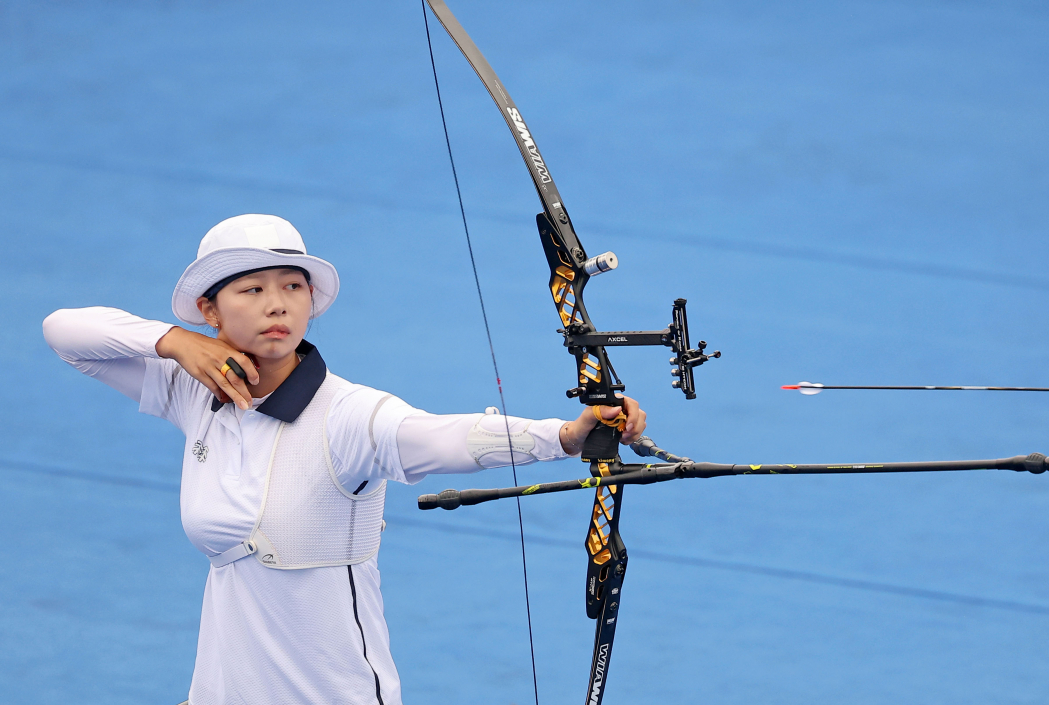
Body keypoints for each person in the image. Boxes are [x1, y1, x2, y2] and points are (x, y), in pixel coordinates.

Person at [42, 213, 647, 705]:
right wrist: (172, 343)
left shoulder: (350, 415)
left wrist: (564, 436)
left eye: (292, 286)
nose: (276, 304)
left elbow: (441, 438)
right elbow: (65, 332)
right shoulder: (192, 389)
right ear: (210, 311)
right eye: (251, 289)